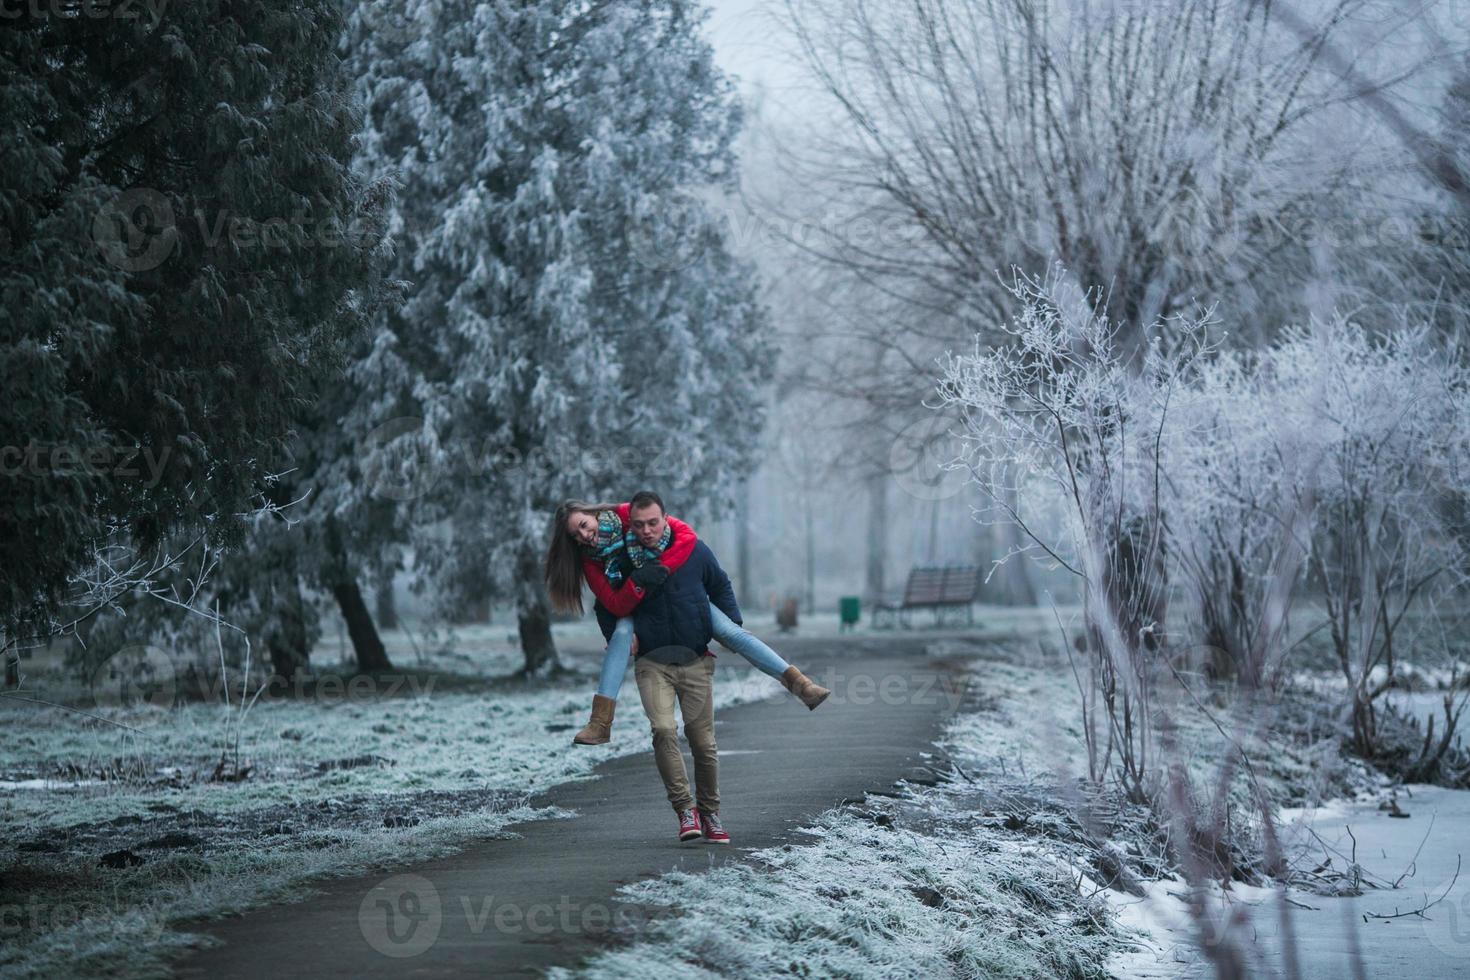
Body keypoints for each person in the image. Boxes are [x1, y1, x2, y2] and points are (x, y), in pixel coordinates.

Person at [543, 492, 831, 751]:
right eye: (575, 536)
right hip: (635, 606)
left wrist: (666, 570)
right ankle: (600, 723)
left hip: (678, 594)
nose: (583, 536)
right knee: (620, 635)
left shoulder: (631, 515)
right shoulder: (590, 561)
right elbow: (612, 604)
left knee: (732, 631)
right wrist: (639, 582)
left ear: (592, 513)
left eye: (583, 525)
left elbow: (686, 537)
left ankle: (802, 686)